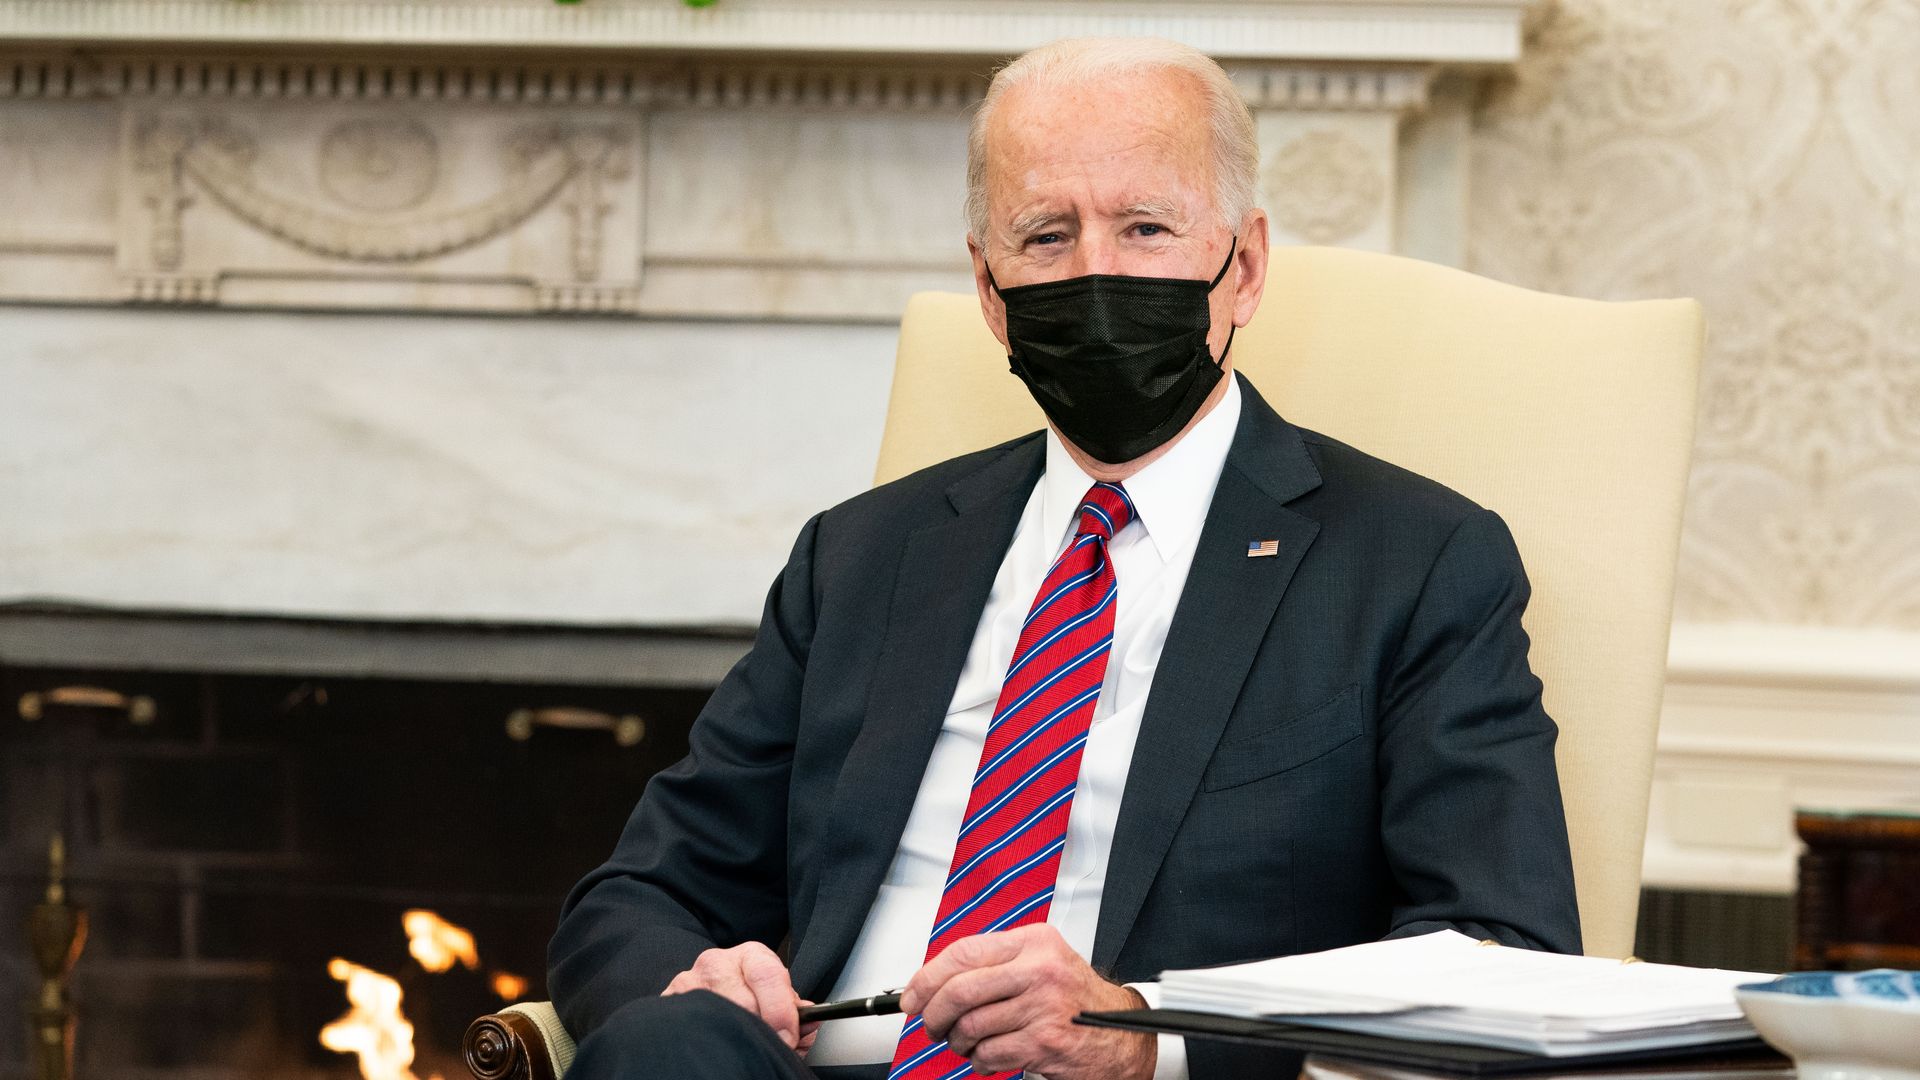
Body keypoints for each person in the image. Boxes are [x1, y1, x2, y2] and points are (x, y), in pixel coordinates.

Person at [549, 36, 1579, 1080]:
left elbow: (1501, 951)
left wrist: (1143, 1035)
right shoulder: (862, 556)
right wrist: (699, 981)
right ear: (990, 292)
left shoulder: (1416, 564)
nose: (1096, 274)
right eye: (1045, 235)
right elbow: (637, 898)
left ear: (1246, 266)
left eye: (1145, 227)